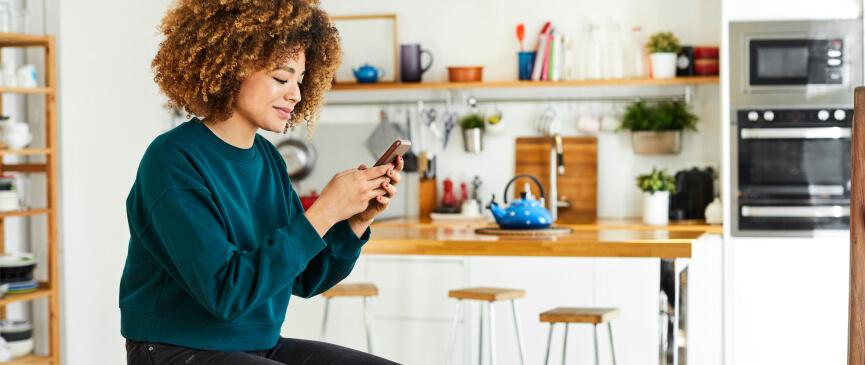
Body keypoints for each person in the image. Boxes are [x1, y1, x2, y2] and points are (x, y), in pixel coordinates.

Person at [119, 1, 402, 363]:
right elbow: (225, 292)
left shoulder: (268, 160)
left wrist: (355, 220)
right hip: (174, 349)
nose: (296, 95)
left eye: (300, 81)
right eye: (281, 78)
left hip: (258, 346)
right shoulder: (173, 159)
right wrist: (324, 210)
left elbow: (306, 277)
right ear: (232, 66)